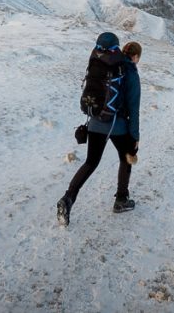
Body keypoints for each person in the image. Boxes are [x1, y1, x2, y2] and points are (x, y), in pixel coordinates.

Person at [57, 34, 141, 226]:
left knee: (91, 162)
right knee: (126, 157)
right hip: (117, 125)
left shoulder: (101, 64)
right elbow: (134, 108)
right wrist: (135, 136)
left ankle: (68, 198)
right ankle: (121, 200)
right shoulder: (129, 71)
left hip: (95, 121)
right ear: (135, 56)